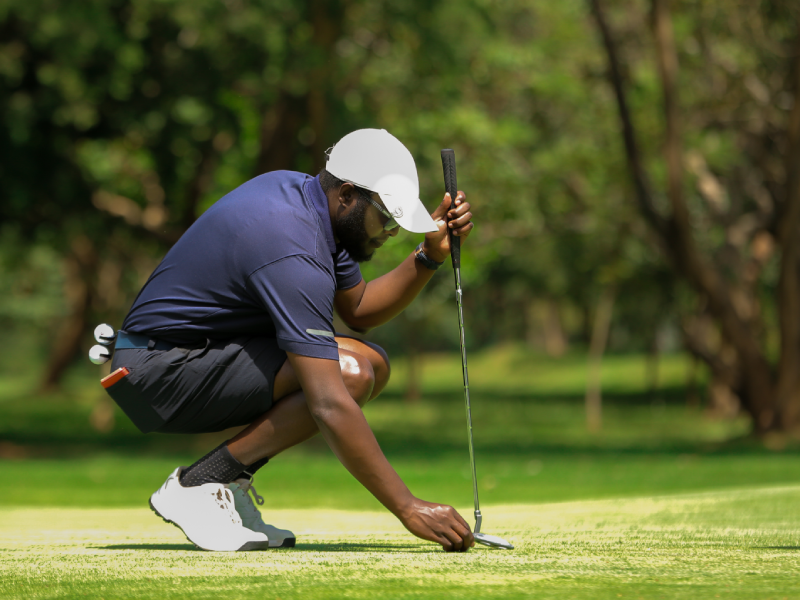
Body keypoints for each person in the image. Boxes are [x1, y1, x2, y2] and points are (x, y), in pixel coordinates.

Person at [103, 128, 475, 552]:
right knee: (350, 374)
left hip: (182, 357)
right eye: (387, 217)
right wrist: (408, 507)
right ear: (347, 194)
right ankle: (199, 485)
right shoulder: (291, 243)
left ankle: (222, 480)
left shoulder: (307, 202)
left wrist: (429, 256)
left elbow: (360, 309)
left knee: (371, 364)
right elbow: (328, 402)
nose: (390, 232)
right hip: (154, 374)